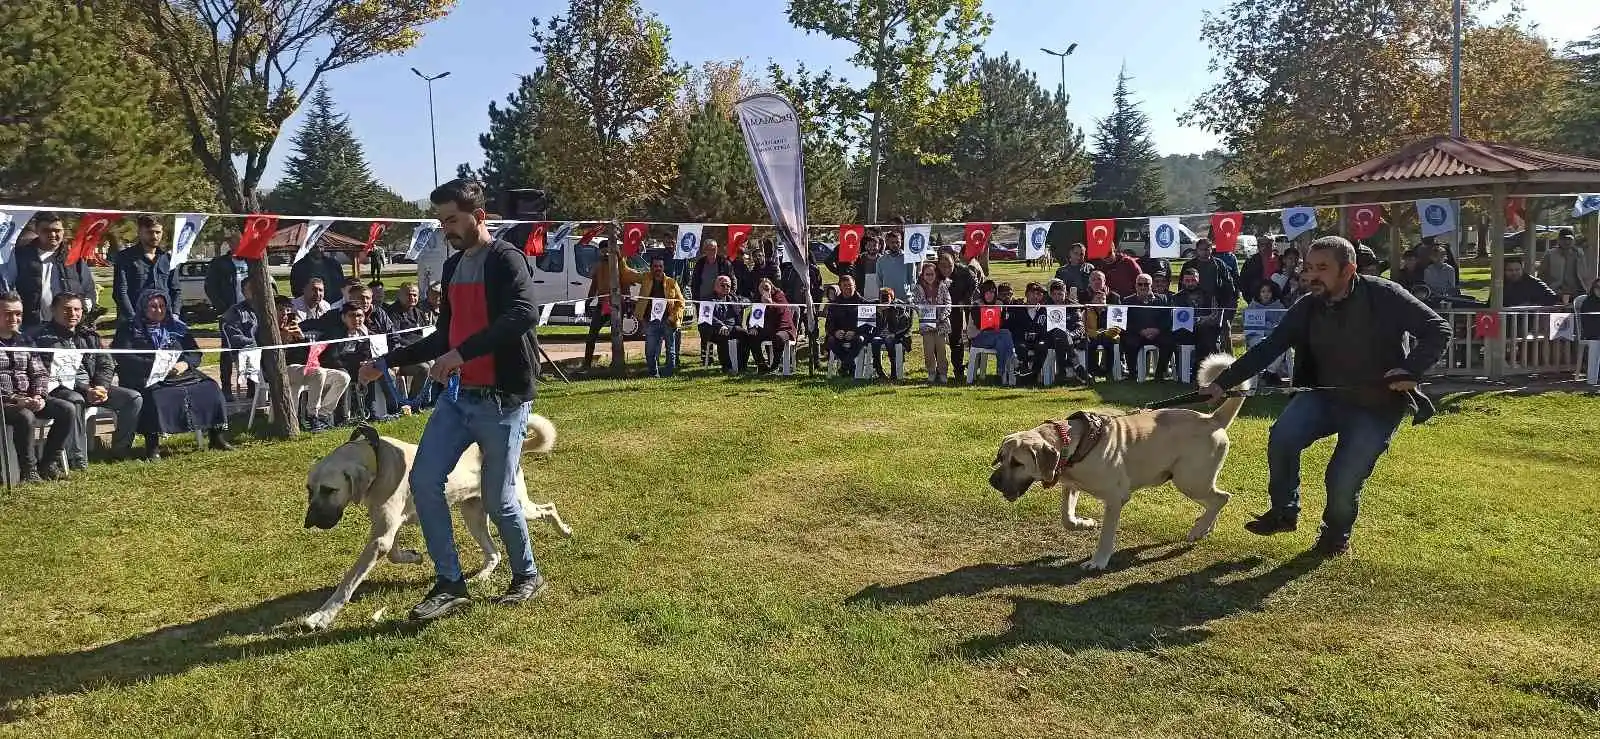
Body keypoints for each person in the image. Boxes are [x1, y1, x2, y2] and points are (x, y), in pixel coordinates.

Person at [357, 178, 548, 621]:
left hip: (502, 400)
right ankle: (450, 583)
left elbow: (523, 314)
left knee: (499, 500)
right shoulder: (452, 266)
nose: (446, 229)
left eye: (453, 220)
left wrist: (461, 353)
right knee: (424, 482)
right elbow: (445, 333)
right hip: (458, 399)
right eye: (441, 221)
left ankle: (526, 574)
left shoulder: (506, 259)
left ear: (479, 217)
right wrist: (390, 360)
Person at [1201, 236, 1450, 555]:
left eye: (1322, 268)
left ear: (1349, 270)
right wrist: (1223, 383)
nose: (1311, 276)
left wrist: (1409, 370)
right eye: (1308, 268)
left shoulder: (1384, 294)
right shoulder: (1307, 305)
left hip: (1377, 406)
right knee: (1283, 437)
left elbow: (1437, 329)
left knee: (1342, 476)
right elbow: (1269, 347)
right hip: (1324, 397)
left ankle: (1335, 535)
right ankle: (1283, 512)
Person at [111, 290, 234, 461]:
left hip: (179, 372)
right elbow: (124, 356)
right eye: (153, 306)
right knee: (155, 397)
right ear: (143, 307)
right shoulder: (130, 328)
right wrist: (157, 366)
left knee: (210, 388)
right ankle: (152, 447)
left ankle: (216, 437)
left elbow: (194, 352)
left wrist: (184, 364)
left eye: (162, 306)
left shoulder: (176, 327)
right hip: (144, 375)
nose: (158, 310)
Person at [32, 293, 144, 464]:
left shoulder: (89, 335)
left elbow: (106, 364)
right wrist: (86, 390)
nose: (73, 313)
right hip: (61, 389)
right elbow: (50, 374)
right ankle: (76, 458)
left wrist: (101, 387)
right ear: (53, 310)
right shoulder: (42, 339)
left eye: (77, 309)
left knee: (133, 398)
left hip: (94, 388)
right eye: (67, 309)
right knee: (75, 400)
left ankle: (120, 451)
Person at [0, 292, 76, 481]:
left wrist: (39, 396)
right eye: (8, 314)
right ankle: (29, 471)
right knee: (25, 416)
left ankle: (48, 463)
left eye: (18, 314)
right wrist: (13, 399)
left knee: (67, 409)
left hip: (29, 397)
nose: (14, 318)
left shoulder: (26, 341)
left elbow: (40, 372)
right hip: (5, 402)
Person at [8, 212, 98, 330]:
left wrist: (85, 308)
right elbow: (8, 287)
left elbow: (88, 289)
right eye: (46, 230)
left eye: (57, 230)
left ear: (63, 231)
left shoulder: (74, 258)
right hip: (31, 325)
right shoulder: (20, 256)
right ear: (37, 230)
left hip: (68, 326)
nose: (52, 234)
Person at [582, 242, 642, 370]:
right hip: (602, 304)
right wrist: (588, 302)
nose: (605, 253)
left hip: (617, 304)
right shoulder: (598, 266)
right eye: (602, 251)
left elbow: (625, 283)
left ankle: (617, 362)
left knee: (616, 335)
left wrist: (628, 303)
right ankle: (586, 363)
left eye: (607, 251)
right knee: (592, 334)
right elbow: (594, 286)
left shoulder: (619, 264)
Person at [111, 215, 179, 325]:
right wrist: (133, 318)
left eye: (158, 232)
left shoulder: (168, 259)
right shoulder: (125, 257)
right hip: (133, 322)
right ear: (140, 232)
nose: (155, 236)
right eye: (150, 232)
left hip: (163, 321)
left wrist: (175, 313)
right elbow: (120, 292)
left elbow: (176, 290)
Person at [632, 258, 685, 378]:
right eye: (655, 266)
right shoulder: (645, 278)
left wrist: (673, 317)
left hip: (668, 321)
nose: (658, 269)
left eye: (660, 266)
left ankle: (669, 374)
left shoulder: (672, 282)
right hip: (650, 321)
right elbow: (629, 274)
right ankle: (653, 374)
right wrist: (620, 258)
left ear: (663, 267)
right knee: (650, 351)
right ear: (651, 267)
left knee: (670, 350)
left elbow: (680, 302)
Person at [911, 262, 952, 384]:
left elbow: (948, 303)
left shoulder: (942, 286)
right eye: (927, 274)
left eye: (932, 274)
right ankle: (931, 372)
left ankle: (943, 373)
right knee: (928, 350)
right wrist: (922, 310)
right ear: (922, 275)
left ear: (936, 274)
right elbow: (915, 304)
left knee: (941, 349)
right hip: (926, 324)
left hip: (941, 324)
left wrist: (942, 316)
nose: (929, 276)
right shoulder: (917, 288)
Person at [825, 275, 868, 376]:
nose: (848, 288)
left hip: (857, 335)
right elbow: (828, 324)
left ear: (855, 286)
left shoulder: (863, 303)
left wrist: (855, 332)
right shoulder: (835, 304)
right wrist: (835, 332)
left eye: (850, 285)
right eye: (845, 286)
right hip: (840, 335)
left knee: (860, 340)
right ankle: (850, 365)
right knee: (830, 341)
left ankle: (844, 366)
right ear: (840, 287)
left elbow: (868, 325)